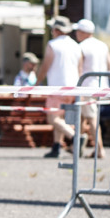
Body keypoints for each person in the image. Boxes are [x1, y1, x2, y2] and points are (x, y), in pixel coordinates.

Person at [36, 15, 85, 159]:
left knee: (52, 119)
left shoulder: (53, 44)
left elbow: (46, 65)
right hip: (73, 87)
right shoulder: (76, 46)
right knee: (61, 118)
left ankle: (75, 137)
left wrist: (37, 82)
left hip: (57, 87)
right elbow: (80, 69)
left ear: (56, 30)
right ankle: (56, 147)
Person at [74, 19, 110, 158]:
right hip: (102, 87)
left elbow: (79, 69)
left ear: (83, 32)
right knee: (81, 117)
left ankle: (99, 149)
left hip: (86, 87)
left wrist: (76, 87)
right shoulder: (102, 45)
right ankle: (78, 147)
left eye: (78, 31)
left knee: (91, 119)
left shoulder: (81, 46)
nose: (76, 33)